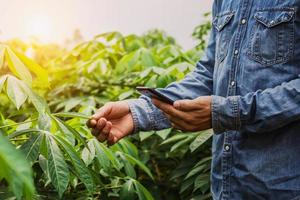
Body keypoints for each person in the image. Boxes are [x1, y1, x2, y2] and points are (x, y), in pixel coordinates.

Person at [87, 0, 300, 199]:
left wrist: (230, 112)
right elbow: (209, 75)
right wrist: (136, 113)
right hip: (227, 187)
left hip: (283, 187)